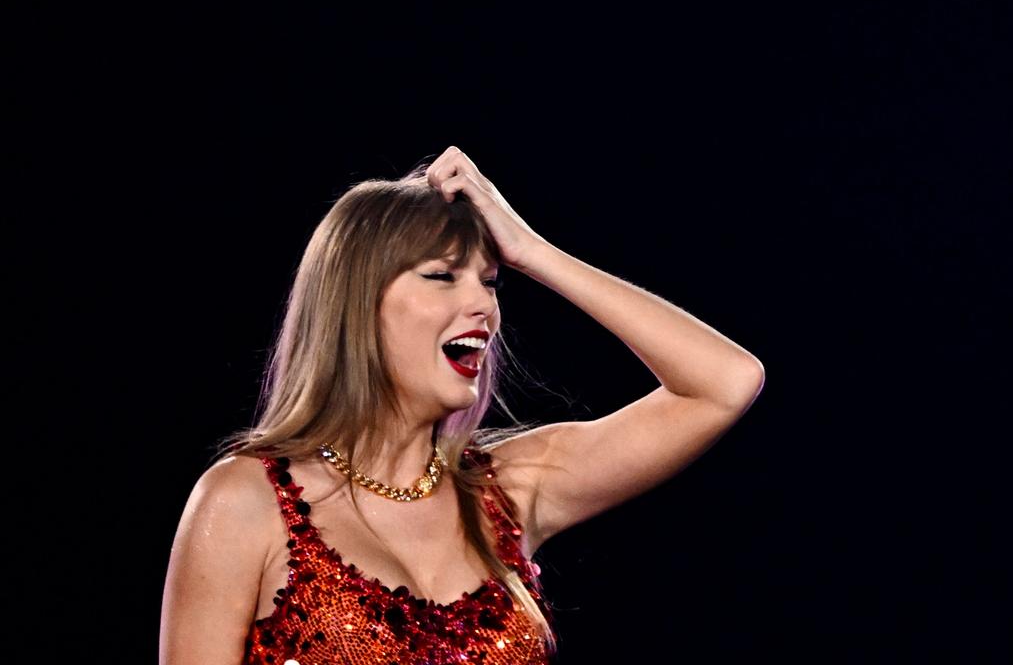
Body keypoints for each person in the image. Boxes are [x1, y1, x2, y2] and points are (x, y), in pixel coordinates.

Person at [159, 145, 766, 664]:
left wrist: (530, 250)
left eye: (491, 281)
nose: (485, 306)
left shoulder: (507, 491)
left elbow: (724, 383)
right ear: (358, 305)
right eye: (444, 276)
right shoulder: (245, 503)